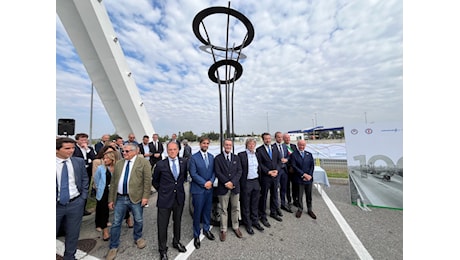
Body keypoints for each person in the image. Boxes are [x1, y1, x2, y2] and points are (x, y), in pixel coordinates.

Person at [106, 143, 152, 260]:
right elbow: (114, 183)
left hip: (136, 197)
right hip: (120, 198)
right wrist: (111, 199)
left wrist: (145, 197)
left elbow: (147, 181)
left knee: (138, 219)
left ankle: (138, 237)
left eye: (127, 151)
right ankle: (113, 246)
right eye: (123, 151)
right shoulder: (119, 164)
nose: (124, 153)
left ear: (135, 151)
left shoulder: (143, 163)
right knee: (116, 222)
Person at [152, 141, 188, 260]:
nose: (172, 152)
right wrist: (163, 191)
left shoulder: (183, 162)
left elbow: (183, 179)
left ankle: (176, 242)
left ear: (178, 150)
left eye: (174, 149)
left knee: (177, 222)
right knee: (162, 225)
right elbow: (155, 181)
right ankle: (162, 249)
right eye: (170, 150)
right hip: (164, 199)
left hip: (179, 198)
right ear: (167, 151)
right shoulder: (161, 165)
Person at [56, 137, 89, 260]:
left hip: (75, 203)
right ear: (56, 150)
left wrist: (83, 198)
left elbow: (85, 179)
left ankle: (70, 257)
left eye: (73, 148)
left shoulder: (78, 162)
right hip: (56, 205)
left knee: (73, 234)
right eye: (67, 148)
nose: (71, 151)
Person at [188, 136, 216, 249]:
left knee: (207, 211)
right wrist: (204, 183)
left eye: (207, 143)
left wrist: (211, 181)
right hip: (198, 190)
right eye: (204, 143)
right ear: (200, 144)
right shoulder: (193, 158)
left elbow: (214, 171)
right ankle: (196, 235)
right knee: (197, 213)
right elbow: (193, 174)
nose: (205, 145)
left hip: (209, 189)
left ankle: (206, 229)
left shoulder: (211, 157)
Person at [214, 138, 243, 241]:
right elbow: (217, 172)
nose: (228, 147)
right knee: (223, 209)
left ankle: (236, 227)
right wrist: (226, 183)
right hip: (223, 187)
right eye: (226, 145)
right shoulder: (218, 158)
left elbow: (239, 171)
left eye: (230, 145)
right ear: (223, 145)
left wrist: (233, 182)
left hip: (235, 188)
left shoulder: (236, 158)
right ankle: (223, 229)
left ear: (232, 146)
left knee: (235, 208)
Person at [238, 137, 264, 235]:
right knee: (246, 204)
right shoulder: (241, 155)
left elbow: (259, 168)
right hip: (246, 182)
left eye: (253, 144)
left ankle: (255, 221)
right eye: (250, 144)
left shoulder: (257, 154)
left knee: (255, 203)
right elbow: (239, 170)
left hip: (256, 181)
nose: (252, 146)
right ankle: (247, 224)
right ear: (247, 145)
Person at [256, 132, 282, 228]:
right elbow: (260, 164)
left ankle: (273, 212)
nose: (268, 140)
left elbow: (279, 161)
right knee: (264, 196)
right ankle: (262, 215)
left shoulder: (275, 148)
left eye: (269, 138)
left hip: (275, 176)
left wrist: (277, 170)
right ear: (263, 140)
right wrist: (268, 172)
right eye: (266, 139)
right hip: (266, 177)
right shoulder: (259, 150)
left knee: (274, 195)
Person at [93, 151, 119, 241]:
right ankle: (105, 231)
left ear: (113, 159)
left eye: (107, 158)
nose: (105, 160)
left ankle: (127, 219)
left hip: (114, 191)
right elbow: (96, 180)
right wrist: (99, 189)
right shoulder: (101, 168)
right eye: (104, 158)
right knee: (102, 210)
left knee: (118, 206)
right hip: (103, 191)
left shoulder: (117, 168)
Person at [289, 139, 317, 219]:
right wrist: (303, 174)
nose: (301, 147)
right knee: (299, 195)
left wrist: (309, 175)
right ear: (297, 145)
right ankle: (300, 209)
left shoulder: (309, 154)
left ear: (305, 145)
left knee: (309, 195)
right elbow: (294, 166)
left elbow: (312, 166)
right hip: (299, 178)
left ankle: (309, 209)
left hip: (308, 179)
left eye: (303, 145)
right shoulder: (294, 155)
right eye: (300, 145)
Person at [72, 133, 96, 216]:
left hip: (87, 171)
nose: (84, 142)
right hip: (77, 171)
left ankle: (83, 209)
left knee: (85, 189)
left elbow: (94, 158)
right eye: (82, 140)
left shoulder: (89, 148)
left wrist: (87, 149)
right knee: (77, 189)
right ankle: (75, 209)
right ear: (77, 140)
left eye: (85, 140)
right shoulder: (74, 149)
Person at [274, 131, 293, 213]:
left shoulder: (285, 146)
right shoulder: (272, 147)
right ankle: (276, 206)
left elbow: (289, 155)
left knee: (284, 188)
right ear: (275, 138)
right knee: (275, 189)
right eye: (278, 137)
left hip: (284, 170)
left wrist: (287, 159)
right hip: (277, 170)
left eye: (281, 137)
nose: (280, 138)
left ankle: (283, 203)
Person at [283, 133, 299, 208]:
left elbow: (295, 157)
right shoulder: (282, 146)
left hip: (293, 169)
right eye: (286, 138)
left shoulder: (293, 146)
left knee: (295, 186)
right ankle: (289, 200)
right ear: (283, 139)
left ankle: (295, 200)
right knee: (287, 186)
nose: (287, 139)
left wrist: (293, 167)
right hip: (285, 169)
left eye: (288, 138)